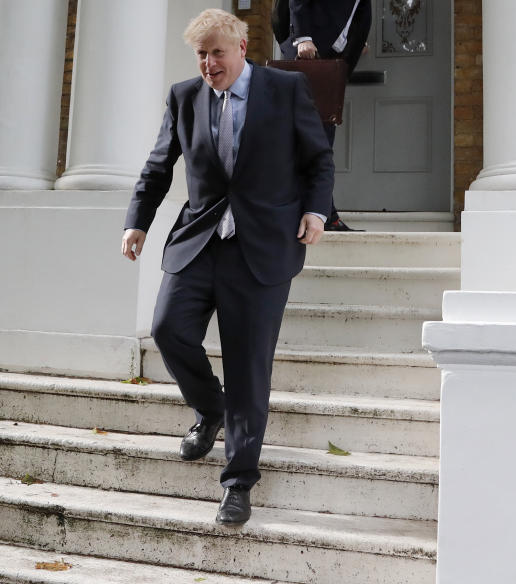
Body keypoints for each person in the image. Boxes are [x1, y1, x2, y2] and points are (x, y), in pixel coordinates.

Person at [121, 9, 333, 524]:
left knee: (247, 366)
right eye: (201, 55)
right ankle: (209, 408)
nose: (208, 64)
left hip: (261, 248)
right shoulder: (184, 96)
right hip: (200, 241)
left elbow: (317, 159)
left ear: (241, 46)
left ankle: (238, 482)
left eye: (217, 52)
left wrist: (315, 209)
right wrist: (138, 221)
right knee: (169, 329)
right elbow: (158, 164)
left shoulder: (284, 91)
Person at [279, 0, 371, 231]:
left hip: (332, 61)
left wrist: (350, 39)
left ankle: (323, 212)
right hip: (307, 54)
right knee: (305, 138)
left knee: (323, 138)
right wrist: (302, 37)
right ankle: (315, 213)